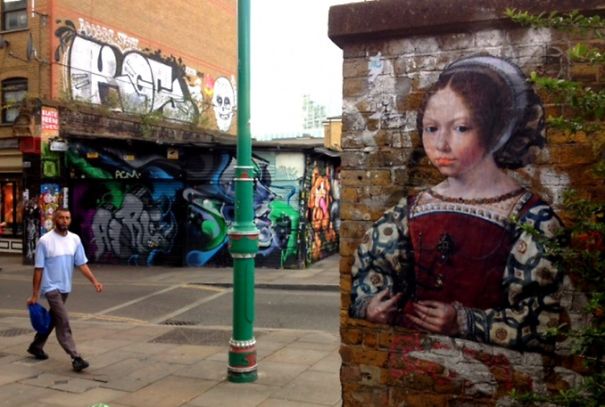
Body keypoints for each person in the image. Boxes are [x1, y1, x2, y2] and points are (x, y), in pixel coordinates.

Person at [350, 55, 566, 352]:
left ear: (495, 130)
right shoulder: (409, 211)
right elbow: (370, 280)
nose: (441, 144)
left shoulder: (533, 220)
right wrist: (371, 307)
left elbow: (543, 323)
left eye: (461, 128)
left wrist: (465, 321)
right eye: (431, 128)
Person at [26, 207, 103, 371]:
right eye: (61, 218)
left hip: (65, 287)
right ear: (55, 219)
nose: (64, 221)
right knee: (63, 321)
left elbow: (81, 264)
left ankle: (36, 346)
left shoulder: (75, 239)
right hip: (50, 288)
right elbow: (38, 269)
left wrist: (94, 281)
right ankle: (76, 357)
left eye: (67, 218)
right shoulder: (45, 241)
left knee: (54, 319)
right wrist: (35, 294)